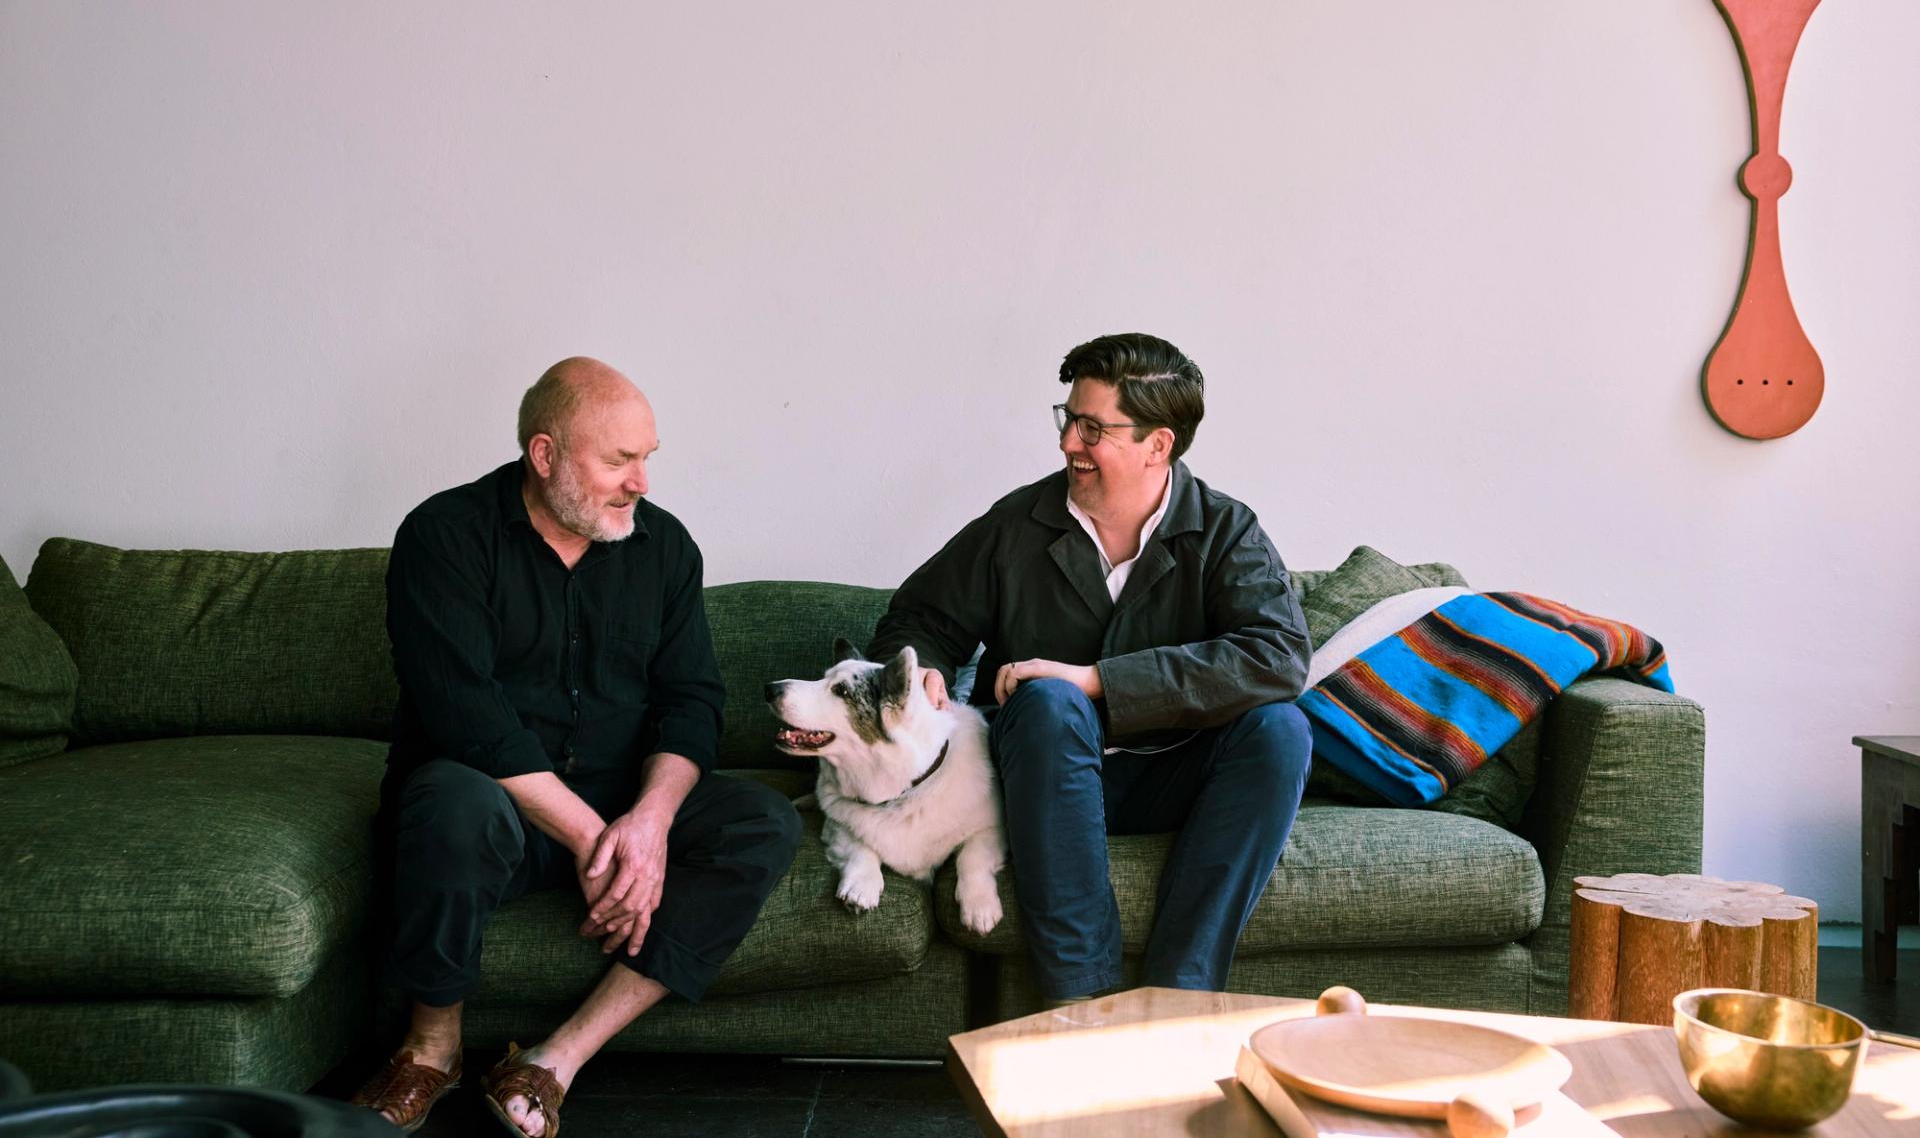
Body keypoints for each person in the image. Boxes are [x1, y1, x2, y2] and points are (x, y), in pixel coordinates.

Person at [352, 357, 801, 1136]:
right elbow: (467, 715)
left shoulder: (665, 548)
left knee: (762, 821)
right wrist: (601, 843)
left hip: (620, 794)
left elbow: (691, 703)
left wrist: (650, 824)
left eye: (647, 457)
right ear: (545, 454)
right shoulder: (444, 535)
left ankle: (555, 1059)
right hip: (496, 807)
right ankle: (431, 1048)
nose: (641, 482)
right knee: (451, 799)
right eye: (620, 460)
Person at [867, 332, 1312, 1004]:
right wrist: (922, 669)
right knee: (1049, 703)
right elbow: (918, 619)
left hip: (1176, 777)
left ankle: (1180, 998)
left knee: (1281, 730)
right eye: (1068, 418)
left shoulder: (1226, 530)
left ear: (1157, 445)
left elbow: (1279, 655)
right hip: (1040, 776)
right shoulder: (1017, 524)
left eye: (1093, 428)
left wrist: (1099, 679)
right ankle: (1082, 1004)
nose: (1068, 442)